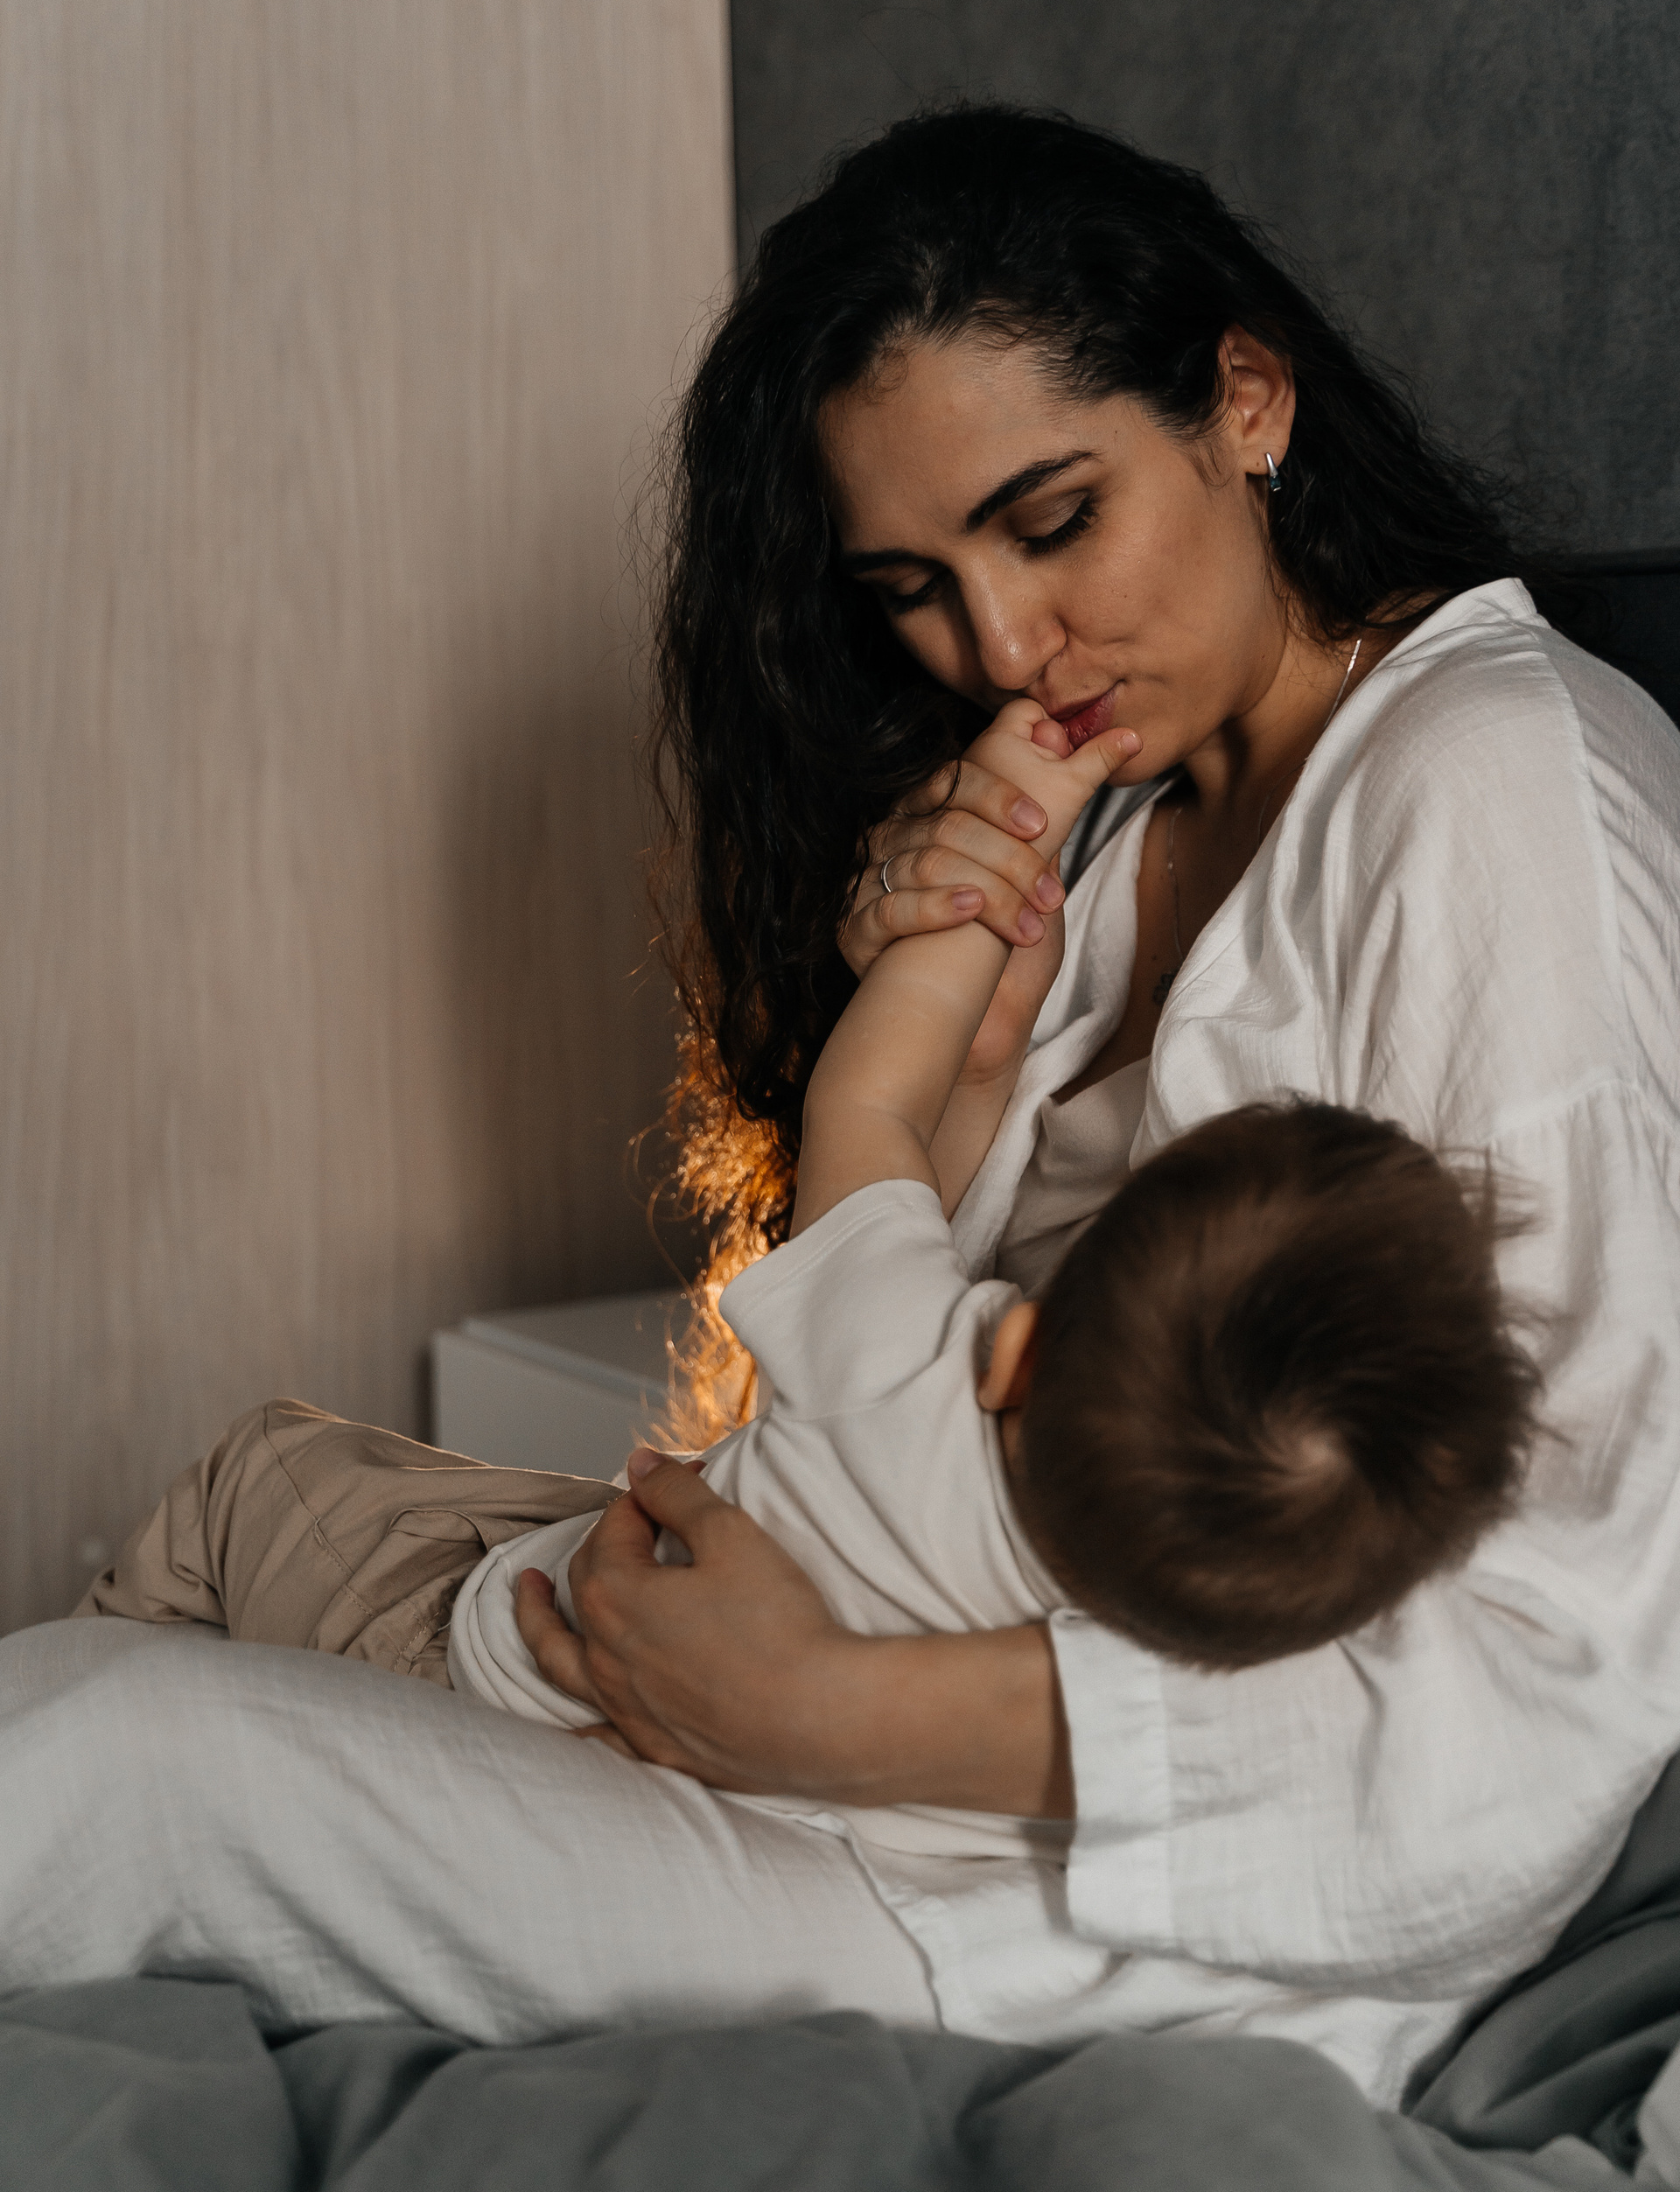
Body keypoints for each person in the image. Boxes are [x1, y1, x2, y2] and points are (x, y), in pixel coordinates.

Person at [6, 106, 1677, 2104]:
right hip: (851, 1737)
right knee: (206, 1587)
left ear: (1247, 401)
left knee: (125, 1752)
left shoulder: (1491, 794)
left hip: (1065, 1915)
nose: (999, 648)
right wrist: (957, 1065)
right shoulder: (1120, 808)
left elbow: (1561, 1673)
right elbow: (904, 1356)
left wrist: (838, 1715)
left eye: (1051, 522)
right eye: (913, 584)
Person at [77, 697, 1540, 1845]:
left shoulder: (909, 1368)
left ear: (1016, 1350)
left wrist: (1008, 845)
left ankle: (69, 1733)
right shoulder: (1146, 1639)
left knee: (262, 1475)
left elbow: (873, 1102)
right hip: (679, 1797)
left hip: (477, 1663)